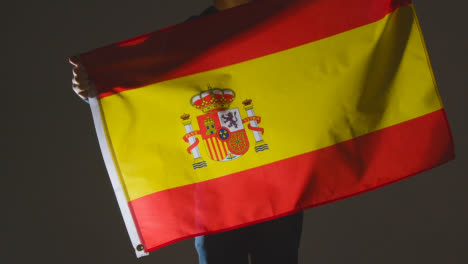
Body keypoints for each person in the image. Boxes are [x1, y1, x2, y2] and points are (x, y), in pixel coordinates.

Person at [69, 1, 304, 263]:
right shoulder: (189, 36)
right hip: (216, 194)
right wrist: (94, 86)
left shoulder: (281, 18)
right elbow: (139, 81)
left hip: (275, 183)